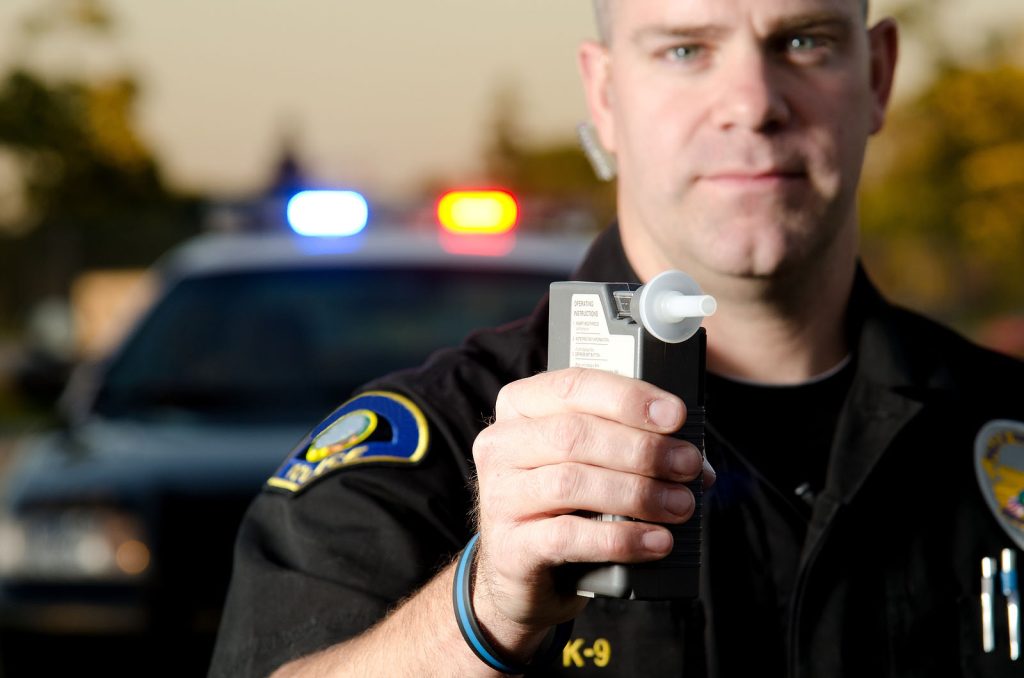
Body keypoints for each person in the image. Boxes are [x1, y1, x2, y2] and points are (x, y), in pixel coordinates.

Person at [210, 1, 1024, 675]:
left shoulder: (1004, 427)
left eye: (803, 42)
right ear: (603, 95)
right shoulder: (438, 446)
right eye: (684, 49)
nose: (753, 102)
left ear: (877, 76)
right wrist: (484, 608)